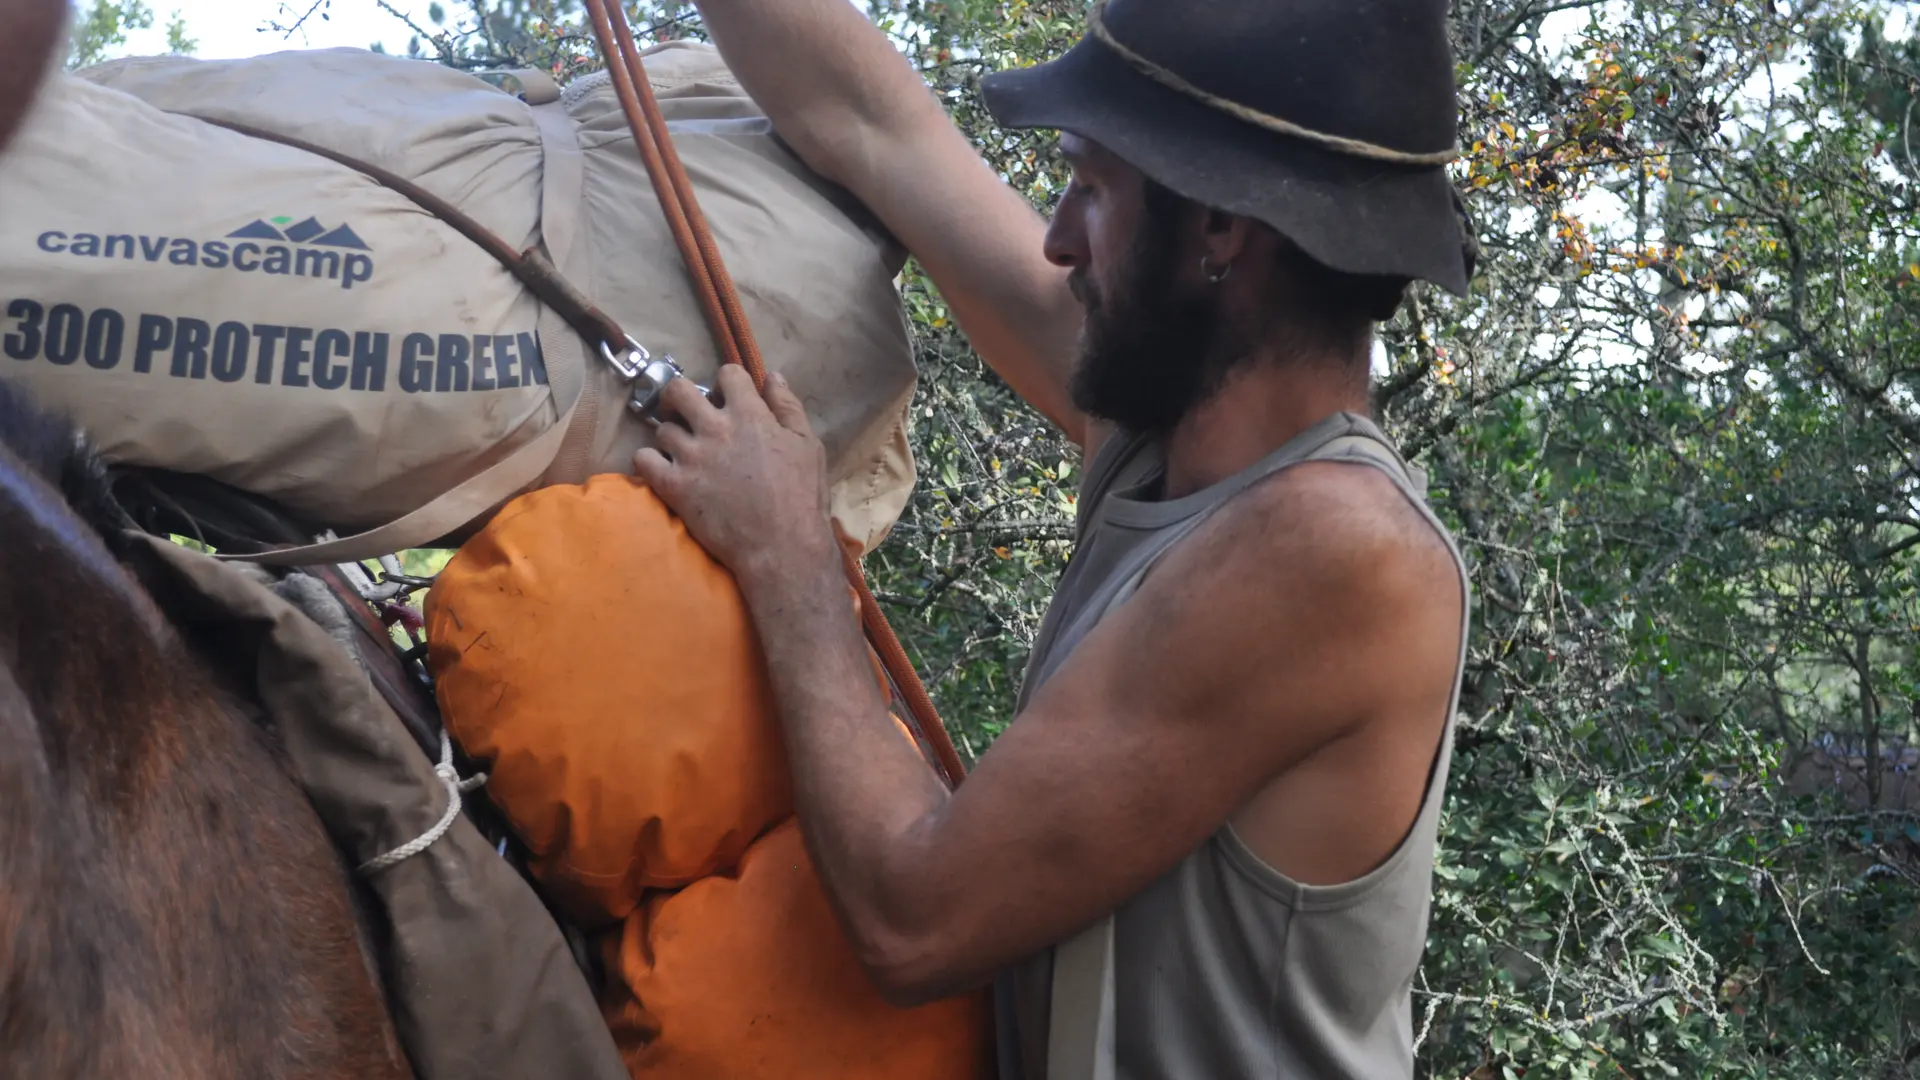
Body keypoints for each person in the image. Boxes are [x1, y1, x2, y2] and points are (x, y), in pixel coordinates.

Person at [633, 1, 1475, 1076]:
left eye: (1091, 186)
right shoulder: (1166, 434)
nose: (1058, 236)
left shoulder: (1334, 549)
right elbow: (870, 128)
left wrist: (786, 546)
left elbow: (912, 915)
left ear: (1220, 231)